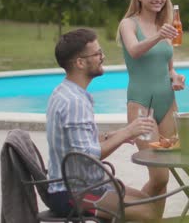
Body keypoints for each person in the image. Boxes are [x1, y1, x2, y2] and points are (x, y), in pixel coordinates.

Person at [45, 29, 161, 222]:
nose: (103, 57)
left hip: (79, 186)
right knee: (147, 213)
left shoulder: (64, 92)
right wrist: (128, 132)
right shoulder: (74, 102)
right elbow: (88, 157)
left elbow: (78, 143)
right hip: (74, 193)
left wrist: (117, 133)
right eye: (97, 54)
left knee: (146, 200)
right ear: (80, 63)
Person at [117, 0, 185, 207]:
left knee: (166, 172)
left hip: (168, 103)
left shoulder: (163, 26)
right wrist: (159, 36)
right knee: (159, 175)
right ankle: (126, 212)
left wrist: (175, 77)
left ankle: (148, 218)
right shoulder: (129, 24)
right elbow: (134, 50)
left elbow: (168, 68)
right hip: (141, 107)